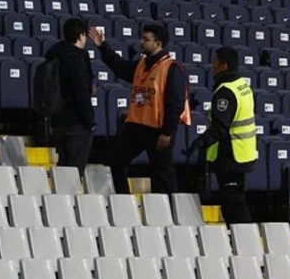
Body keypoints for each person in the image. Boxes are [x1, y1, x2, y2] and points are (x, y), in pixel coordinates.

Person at [89, 23, 190, 194]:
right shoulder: (142, 64)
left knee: (163, 175)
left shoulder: (172, 68)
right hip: (136, 126)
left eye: (145, 39)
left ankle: (170, 213)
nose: (141, 42)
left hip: (158, 131)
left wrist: (168, 131)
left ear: (157, 44)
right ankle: (123, 201)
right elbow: (120, 67)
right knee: (114, 161)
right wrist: (103, 47)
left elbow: (175, 103)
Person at [185, 46, 256, 224]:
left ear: (223, 65)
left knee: (233, 205)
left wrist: (201, 142)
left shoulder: (226, 91)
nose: (212, 65)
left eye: (215, 61)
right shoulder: (242, 85)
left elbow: (220, 127)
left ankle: (244, 245)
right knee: (236, 201)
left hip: (230, 154)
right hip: (242, 153)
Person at [44, 18, 96, 175]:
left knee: (63, 170)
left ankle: (60, 199)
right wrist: (89, 122)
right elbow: (80, 94)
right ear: (81, 36)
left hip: (58, 120)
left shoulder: (55, 55)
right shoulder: (76, 59)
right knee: (73, 172)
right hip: (76, 124)